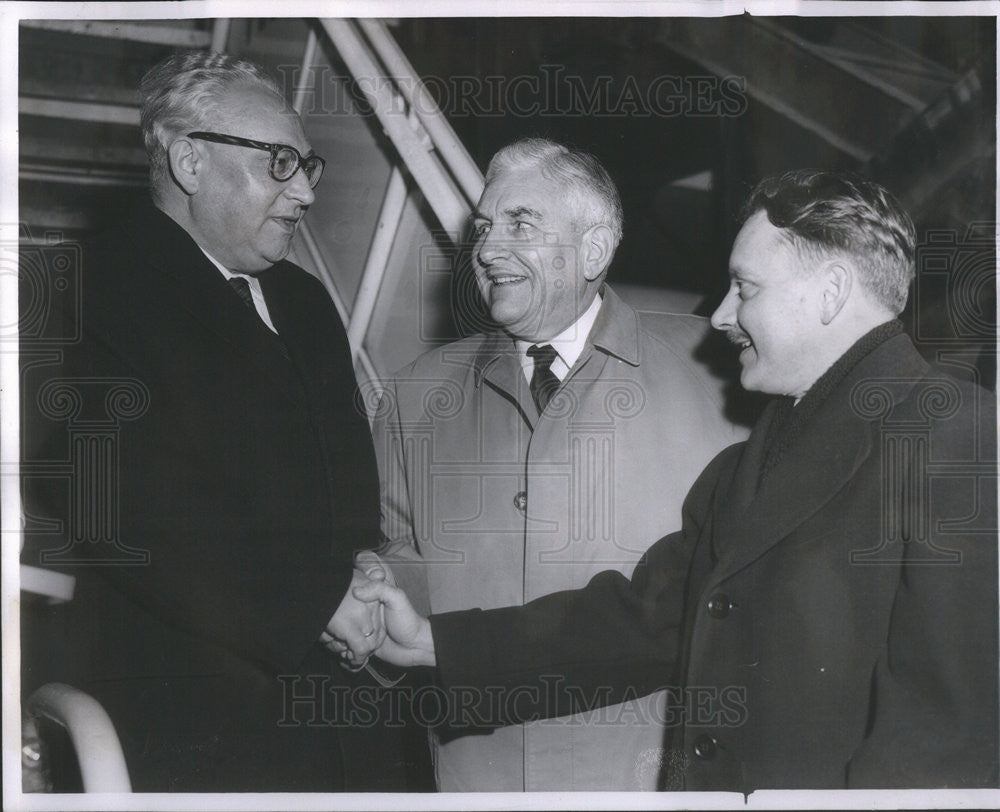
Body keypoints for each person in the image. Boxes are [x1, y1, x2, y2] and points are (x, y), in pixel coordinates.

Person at [356, 169, 999, 791]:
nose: (719, 316)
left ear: (830, 292)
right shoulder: (762, 450)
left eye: (745, 289)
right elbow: (646, 619)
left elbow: (948, 734)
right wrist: (436, 642)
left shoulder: (953, 434)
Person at [20, 51, 408, 792]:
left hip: (335, 702)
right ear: (190, 161)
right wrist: (314, 602)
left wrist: (360, 575)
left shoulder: (302, 300)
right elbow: (126, 509)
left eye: (309, 167)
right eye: (280, 164)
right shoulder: (78, 291)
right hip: (182, 711)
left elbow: (347, 477)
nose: (304, 195)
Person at [363, 138, 746, 791]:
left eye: (519, 224)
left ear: (593, 249)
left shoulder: (721, 379)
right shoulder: (414, 394)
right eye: (483, 227)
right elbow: (398, 549)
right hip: (476, 776)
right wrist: (379, 592)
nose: (484, 249)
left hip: (645, 779)